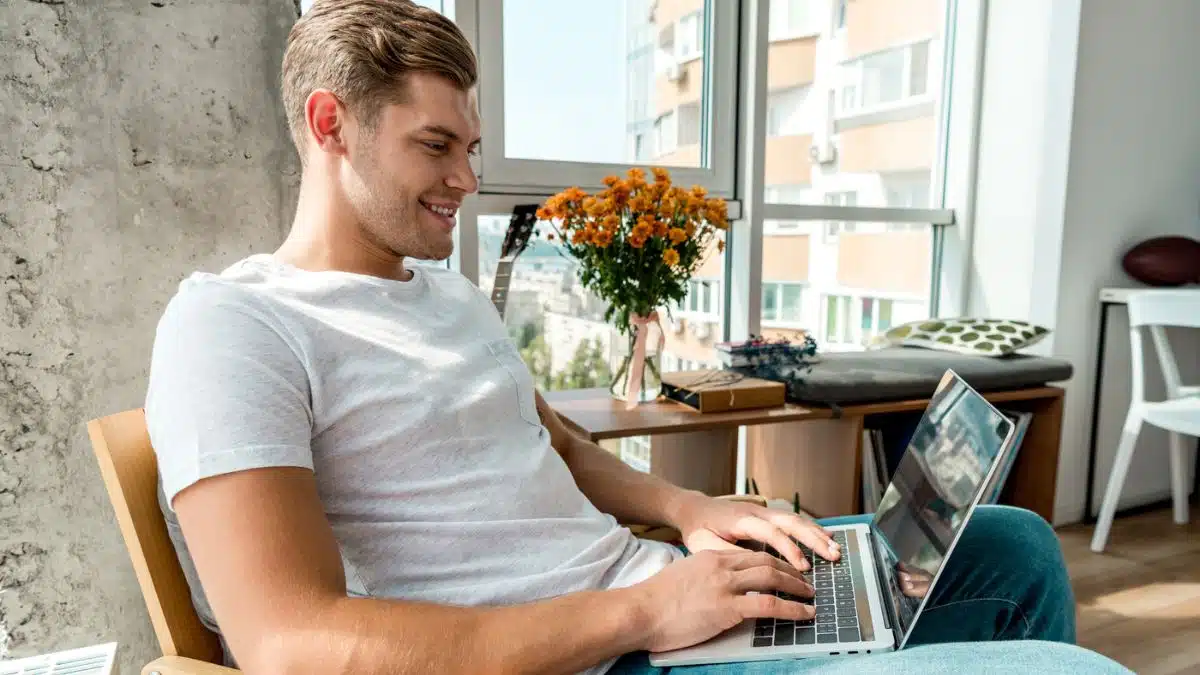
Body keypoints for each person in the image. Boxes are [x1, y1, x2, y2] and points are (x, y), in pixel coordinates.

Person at [144, 1, 1128, 673]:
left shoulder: (443, 296)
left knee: (1016, 547)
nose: (465, 179)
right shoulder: (236, 327)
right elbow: (292, 644)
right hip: (599, 652)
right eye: (434, 146)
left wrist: (691, 510)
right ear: (331, 126)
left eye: (470, 148)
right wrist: (652, 613)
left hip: (655, 601)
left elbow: (548, 440)